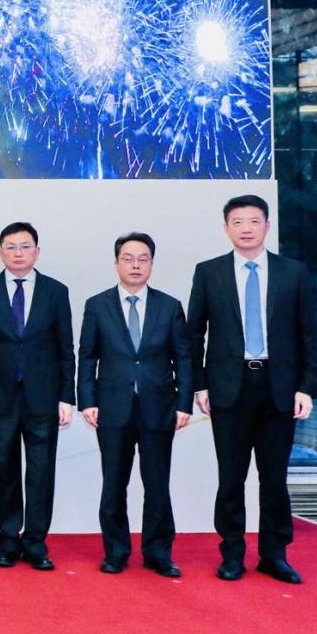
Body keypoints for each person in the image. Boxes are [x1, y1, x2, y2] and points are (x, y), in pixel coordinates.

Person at [187, 194, 317, 584]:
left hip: (279, 389)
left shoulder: (292, 272)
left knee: (274, 477)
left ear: (266, 225)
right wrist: (199, 385)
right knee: (231, 477)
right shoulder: (209, 272)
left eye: (253, 221)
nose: (246, 228)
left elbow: (308, 334)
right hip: (229, 388)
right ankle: (231, 555)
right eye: (238, 221)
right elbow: (194, 334)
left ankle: (274, 555)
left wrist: (307, 387)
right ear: (226, 227)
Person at [77, 232, 193, 577]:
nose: (136, 265)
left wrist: (184, 402)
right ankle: (116, 551)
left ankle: (158, 552)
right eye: (128, 258)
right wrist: (87, 401)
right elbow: (87, 357)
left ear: (152, 264)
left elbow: (184, 359)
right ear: (116, 263)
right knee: (114, 482)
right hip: (112, 407)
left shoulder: (169, 306)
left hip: (159, 407)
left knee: (157, 483)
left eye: (143, 259)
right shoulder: (97, 305)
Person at [0, 221, 75, 571]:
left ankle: (36, 543)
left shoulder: (56, 291)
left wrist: (66, 396)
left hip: (43, 397)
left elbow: (65, 348)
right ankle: (8, 541)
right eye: (11, 247)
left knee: (41, 471)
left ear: (37, 251)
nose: (18, 253)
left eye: (25, 246)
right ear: (0, 253)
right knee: (3, 469)